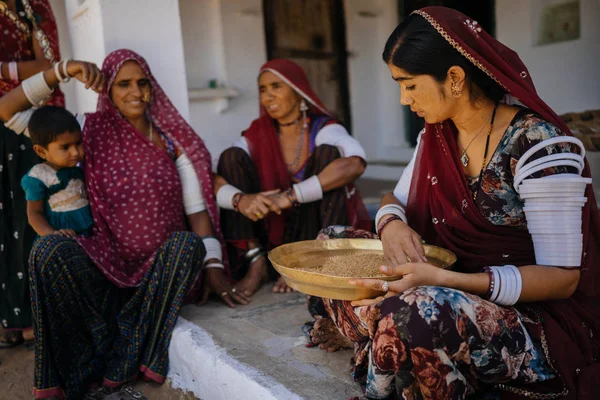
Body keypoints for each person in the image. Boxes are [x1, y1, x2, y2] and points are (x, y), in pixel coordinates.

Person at [309, 7, 600, 399]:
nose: (402, 99)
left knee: (415, 313)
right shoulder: (436, 135)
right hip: (443, 283)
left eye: (409, 85)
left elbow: (562, 278)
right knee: (331, 246)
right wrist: (390, 224)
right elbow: (394, 197)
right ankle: (393, 336)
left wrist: (448, 282)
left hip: (527, 314)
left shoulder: (539, 146)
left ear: (456, 78)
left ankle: (382, 336)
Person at [0, 49, 249, 400]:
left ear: (153, 87)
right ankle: (69, 373)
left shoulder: (172, 140)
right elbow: (8, 110)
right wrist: (62, 70)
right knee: (48, 249)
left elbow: (196, 213)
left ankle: (130, 348)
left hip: (158, 279)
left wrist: (215, 267)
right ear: (108, 91)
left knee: (187, 245)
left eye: (142, 83)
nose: (136, 92)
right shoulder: (85, 130)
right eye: (124, 84)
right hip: (104, 269)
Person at [214, 59, 371, 295]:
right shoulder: (259, 133)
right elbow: (215, 178)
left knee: (329, 154)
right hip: (271, 225)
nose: (268, 97)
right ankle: (256, 260)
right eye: (263, 90)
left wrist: (291, 196)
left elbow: (355, 164)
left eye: (277, 87)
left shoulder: (323, 127)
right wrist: (241, 200)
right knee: (231, 157)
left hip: (311, 227)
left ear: (298, 91)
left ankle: (316, 261)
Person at [0, 0, 64, 349]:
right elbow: (37, 66)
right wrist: (25, 69)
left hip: (31, 122)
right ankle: (7, 319)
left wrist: (3, 69)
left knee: (30, 217)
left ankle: (34, 317)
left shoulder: (35, 4)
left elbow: (48, 65)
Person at [21, 106, 93, 238]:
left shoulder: (79, 169)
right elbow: (34, 214)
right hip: (59, 242)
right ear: (41, 151)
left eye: (78, 143)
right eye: (65, 147)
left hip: (87, 236)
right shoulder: (39, 177)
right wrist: (53, 235)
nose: (75, 152)